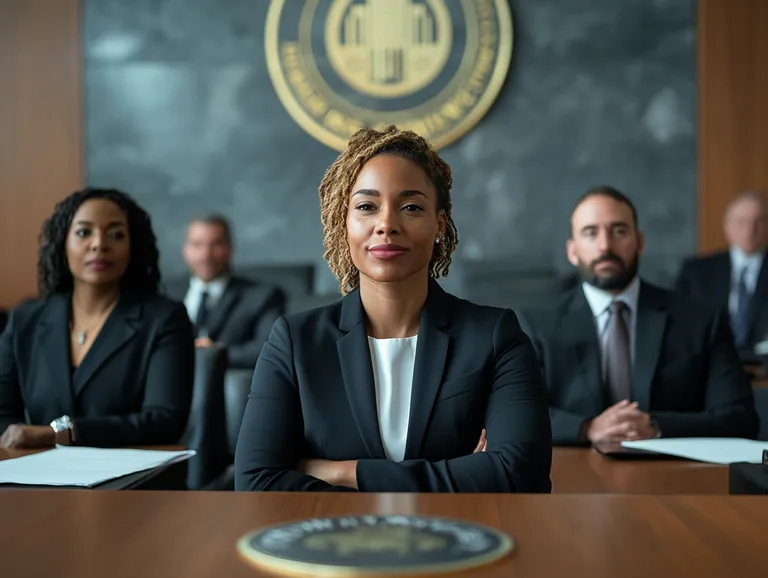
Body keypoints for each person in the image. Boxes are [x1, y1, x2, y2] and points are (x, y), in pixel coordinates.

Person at [234, 126, 552, 492]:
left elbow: (522, 476)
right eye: (366, 207)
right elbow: (256, 482)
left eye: (411, 207)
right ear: (344, 223)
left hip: (461, 540)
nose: (386, 225)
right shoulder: (294, 342)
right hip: (330, 544)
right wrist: (465, 472)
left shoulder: (495, 336)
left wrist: (344, 472)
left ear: (439, 224)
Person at [518, 186, 759, 446]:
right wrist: (587, 428)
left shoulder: (701, 322)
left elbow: (740, 419)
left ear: (640, 242)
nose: (605, 245)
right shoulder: (536, 326)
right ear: (572, 251)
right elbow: (515, 416)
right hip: (574, 477)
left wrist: (654, 426)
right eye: (590, 233)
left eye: (619, 231)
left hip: (677, 477)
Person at [0, 188, 195, 449]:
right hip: (37, 478)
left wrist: (62, 433)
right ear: (63, 243)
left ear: (132, 246)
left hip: (135, 482)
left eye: (116, 235)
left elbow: (164, 421)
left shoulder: (165, 319)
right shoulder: (25, 319)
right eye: (83, 232)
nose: (99, 244)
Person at [164, 214, 285, 369]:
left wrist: (213, 354)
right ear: (185, 249)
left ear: (230, 248)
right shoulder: (164, 293)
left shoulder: (262, 296)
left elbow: (269, 349)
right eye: (197, 245)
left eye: (216, 244)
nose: (206, 255)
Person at [675, 191, 768, 353]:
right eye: (741, 221)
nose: (749, 230)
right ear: (727, 226)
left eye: (759, 221)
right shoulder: (697, 271)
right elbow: (678, 320)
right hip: (708, 364)